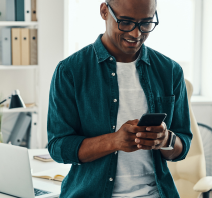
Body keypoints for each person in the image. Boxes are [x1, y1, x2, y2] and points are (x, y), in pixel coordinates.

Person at [47, 0, 192, 197]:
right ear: (104, 11)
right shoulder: (70, 71)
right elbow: (58, 147)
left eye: (146, 23)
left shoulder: (170, 71)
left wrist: (165, 139)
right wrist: (114, 141)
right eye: (125, 22)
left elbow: (183, 144)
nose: (136, 34)